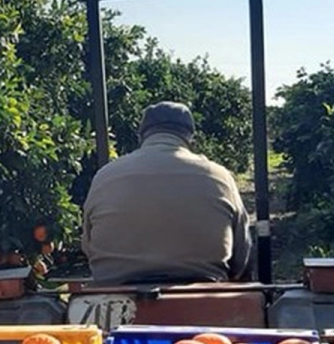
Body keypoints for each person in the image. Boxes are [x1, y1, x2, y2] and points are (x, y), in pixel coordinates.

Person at [81, 101, 252, 285]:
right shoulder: (219, 177)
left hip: (112, 294)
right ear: (190, 136)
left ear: (142, 135)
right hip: (202, 292)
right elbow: (241, 254)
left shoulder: (105, 175)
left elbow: (88, 245)